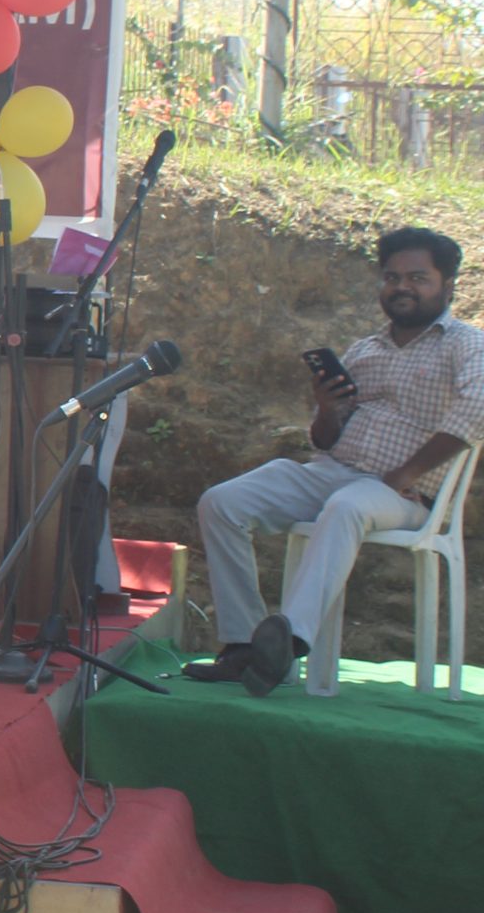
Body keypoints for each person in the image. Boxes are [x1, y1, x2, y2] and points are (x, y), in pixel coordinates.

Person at [186, 227, 483, 694]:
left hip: (405, 493)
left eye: (417, 278)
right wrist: (327, 408)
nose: (402, 287)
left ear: (448, 286)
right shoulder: (365, 350)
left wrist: (403, 474)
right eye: (392, 277)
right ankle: (244, 645)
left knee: (347, 505)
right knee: (221, 502)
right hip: (332, 471)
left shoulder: (466, 344)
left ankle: (290, 642)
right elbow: (324, 441)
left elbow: (476, 410)